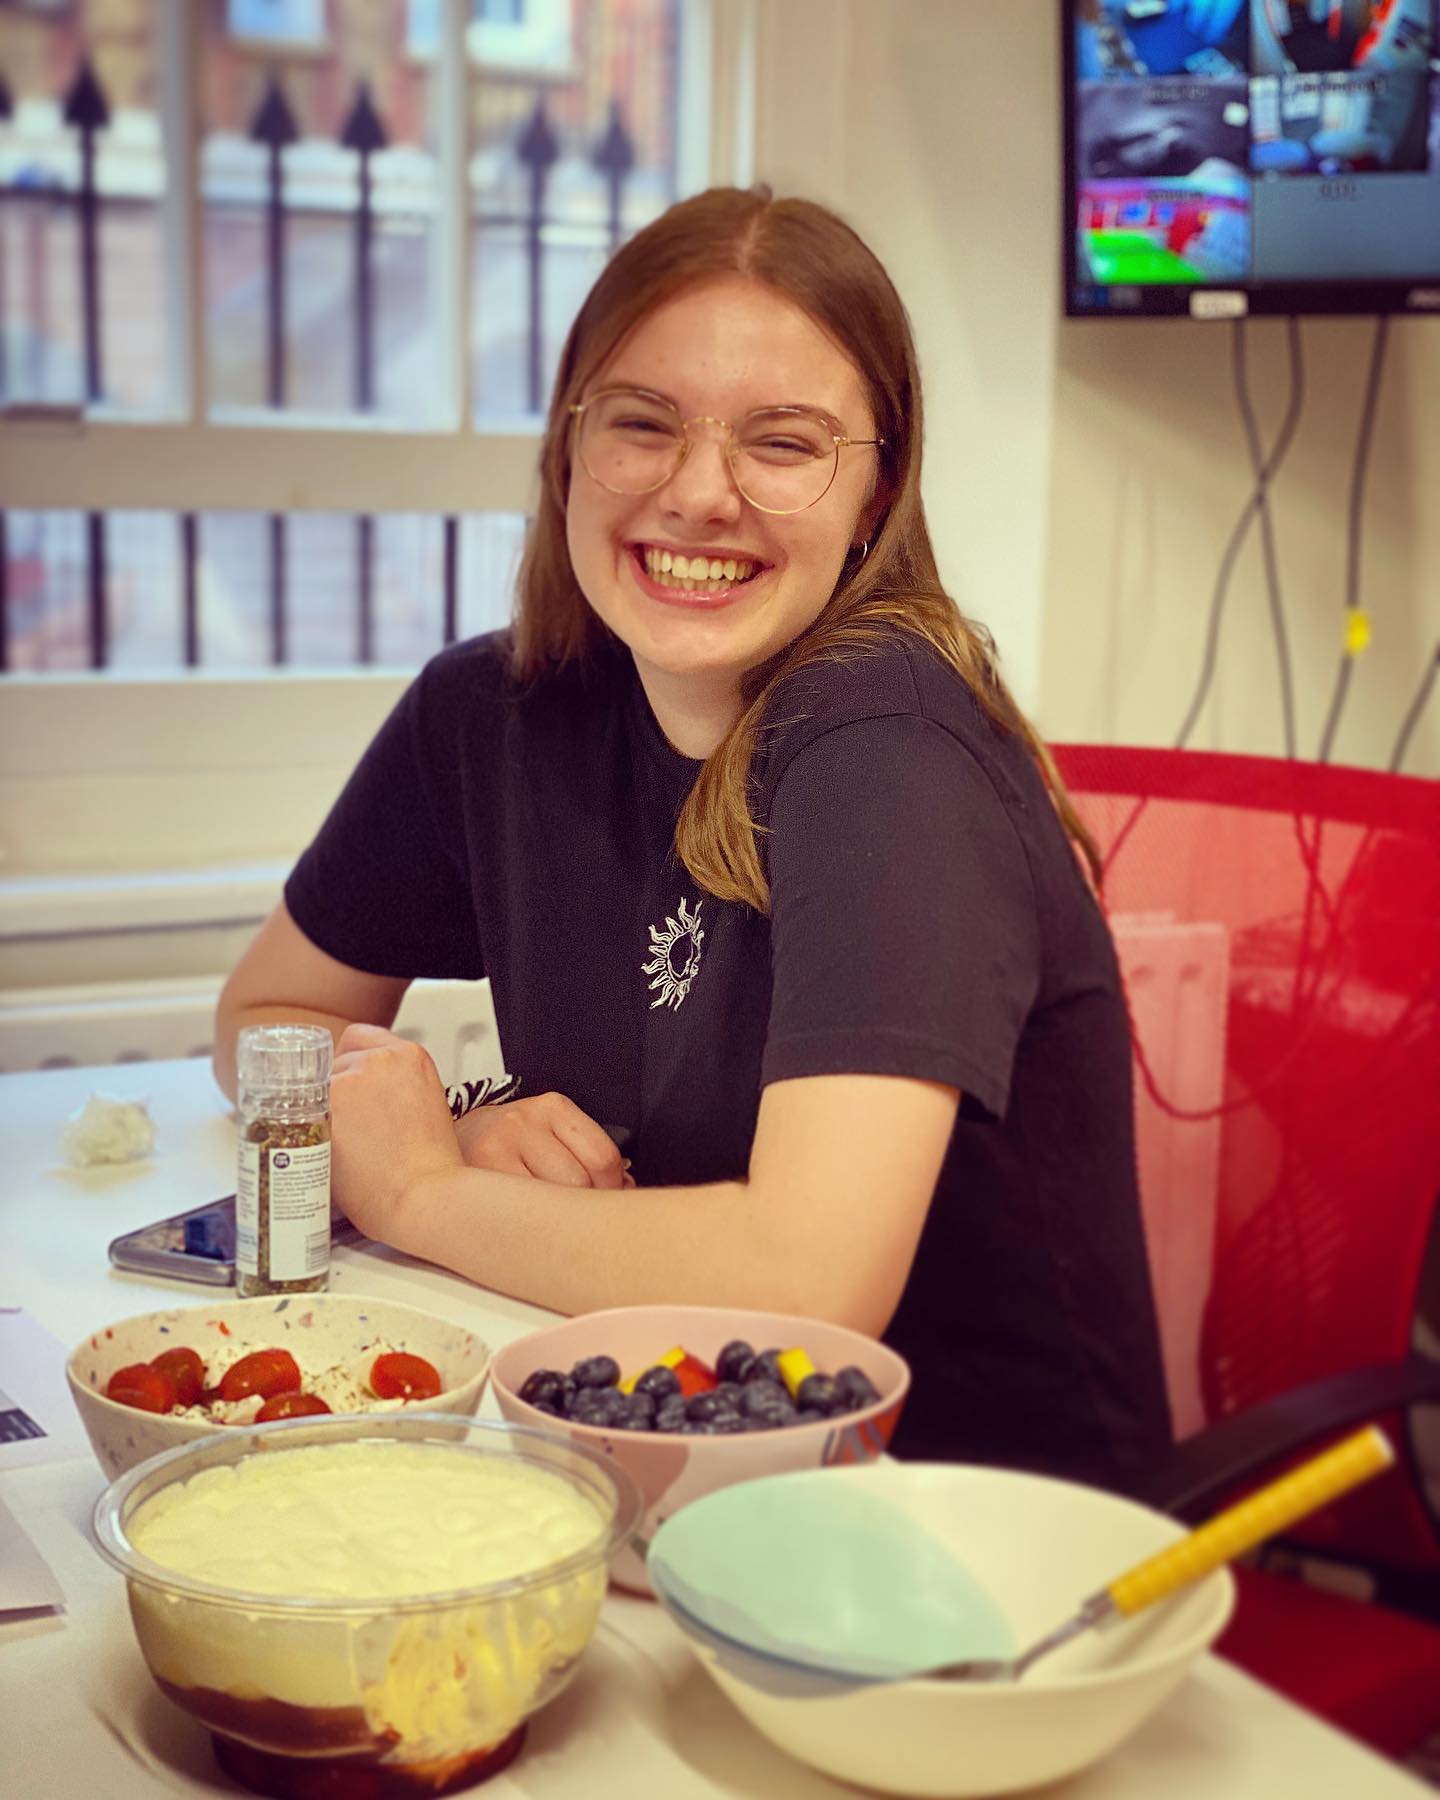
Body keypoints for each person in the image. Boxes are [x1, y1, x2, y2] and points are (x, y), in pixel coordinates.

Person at [215, 186, 1172, 1492]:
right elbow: (266, 1015)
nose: (698, 494)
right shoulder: (489, 711)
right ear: (569, 449)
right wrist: (459, 1120)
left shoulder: (887, 746)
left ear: (874, 484)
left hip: (958, 1532)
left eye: (781, 444)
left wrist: (423, 1193)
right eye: (643, 425)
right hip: (657, 1453)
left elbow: (810, 1284)